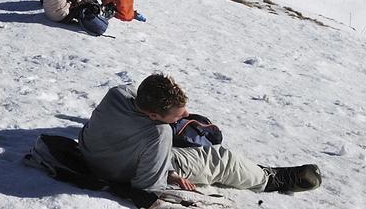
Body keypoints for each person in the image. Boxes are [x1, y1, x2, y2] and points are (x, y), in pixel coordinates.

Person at [80, 73, 322, 195]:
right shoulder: (158, 134)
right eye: (177, 115)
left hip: (95, 153)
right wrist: (170, 173)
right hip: (120, 170)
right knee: (221, 159)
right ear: (154, 116)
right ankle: (270, 179)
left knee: (181, 138)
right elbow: (146, 187)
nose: (185, 114)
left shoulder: (118, 93)